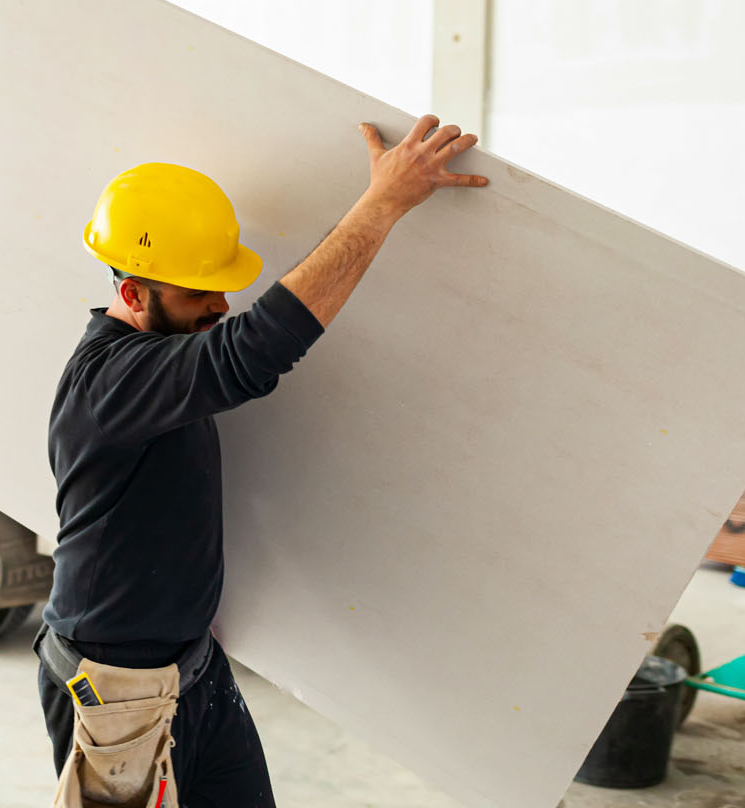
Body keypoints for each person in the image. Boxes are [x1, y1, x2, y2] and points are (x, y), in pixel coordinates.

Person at [36, 115, 486, 807]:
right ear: (131, 294)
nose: (220, 305)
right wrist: (383, 203)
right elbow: (252, 352)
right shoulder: (113, 382)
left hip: (191, 671)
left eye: (219, 286)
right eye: (196, 293)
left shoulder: (150, 365)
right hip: (115, 694)